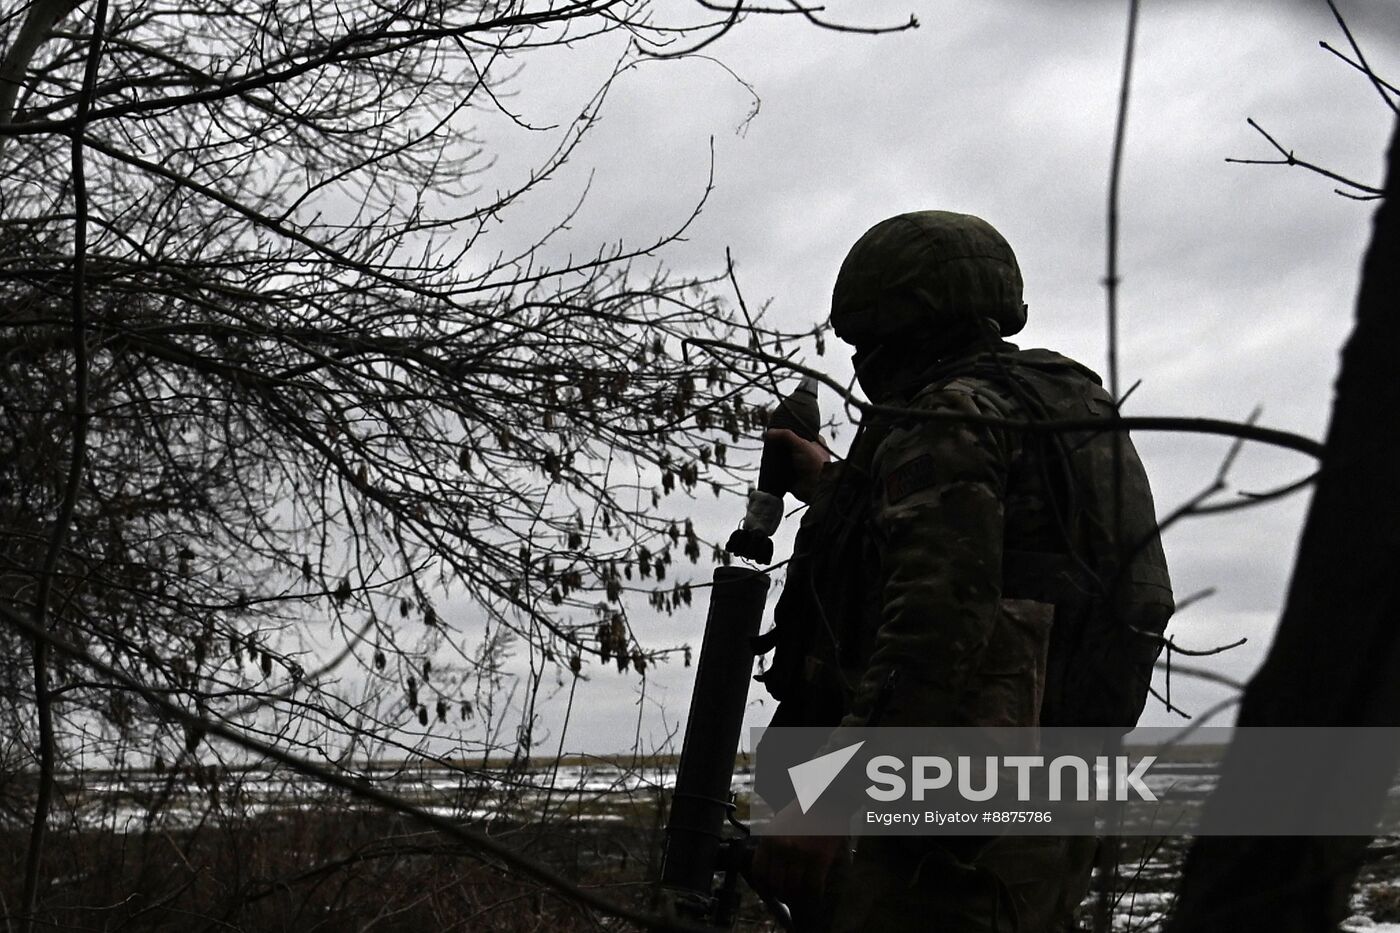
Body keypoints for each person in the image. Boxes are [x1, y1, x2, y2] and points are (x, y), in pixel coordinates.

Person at [748, 210, 1174, 932]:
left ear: (897, 329)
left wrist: (832, 792)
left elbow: (935, 630)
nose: (861, 364)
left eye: (864, 344)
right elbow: (997, 549)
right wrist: (835, 484)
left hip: (940, 831)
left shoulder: (947, 419)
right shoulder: (1063, 411)